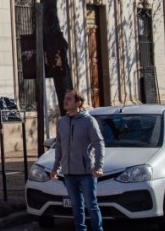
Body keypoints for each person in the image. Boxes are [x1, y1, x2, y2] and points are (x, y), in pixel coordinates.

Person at [50, 89, 105, 231]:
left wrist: (98, 166)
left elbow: (99, 143)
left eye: (69, 99)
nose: (65, 101)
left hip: (86, 172)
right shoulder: (61, 122)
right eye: (65, 98)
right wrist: (56, 168)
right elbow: (59, 147)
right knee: (76, 206)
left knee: (91, 205)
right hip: (68, 173)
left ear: (78, 102)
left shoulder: (88, 121)